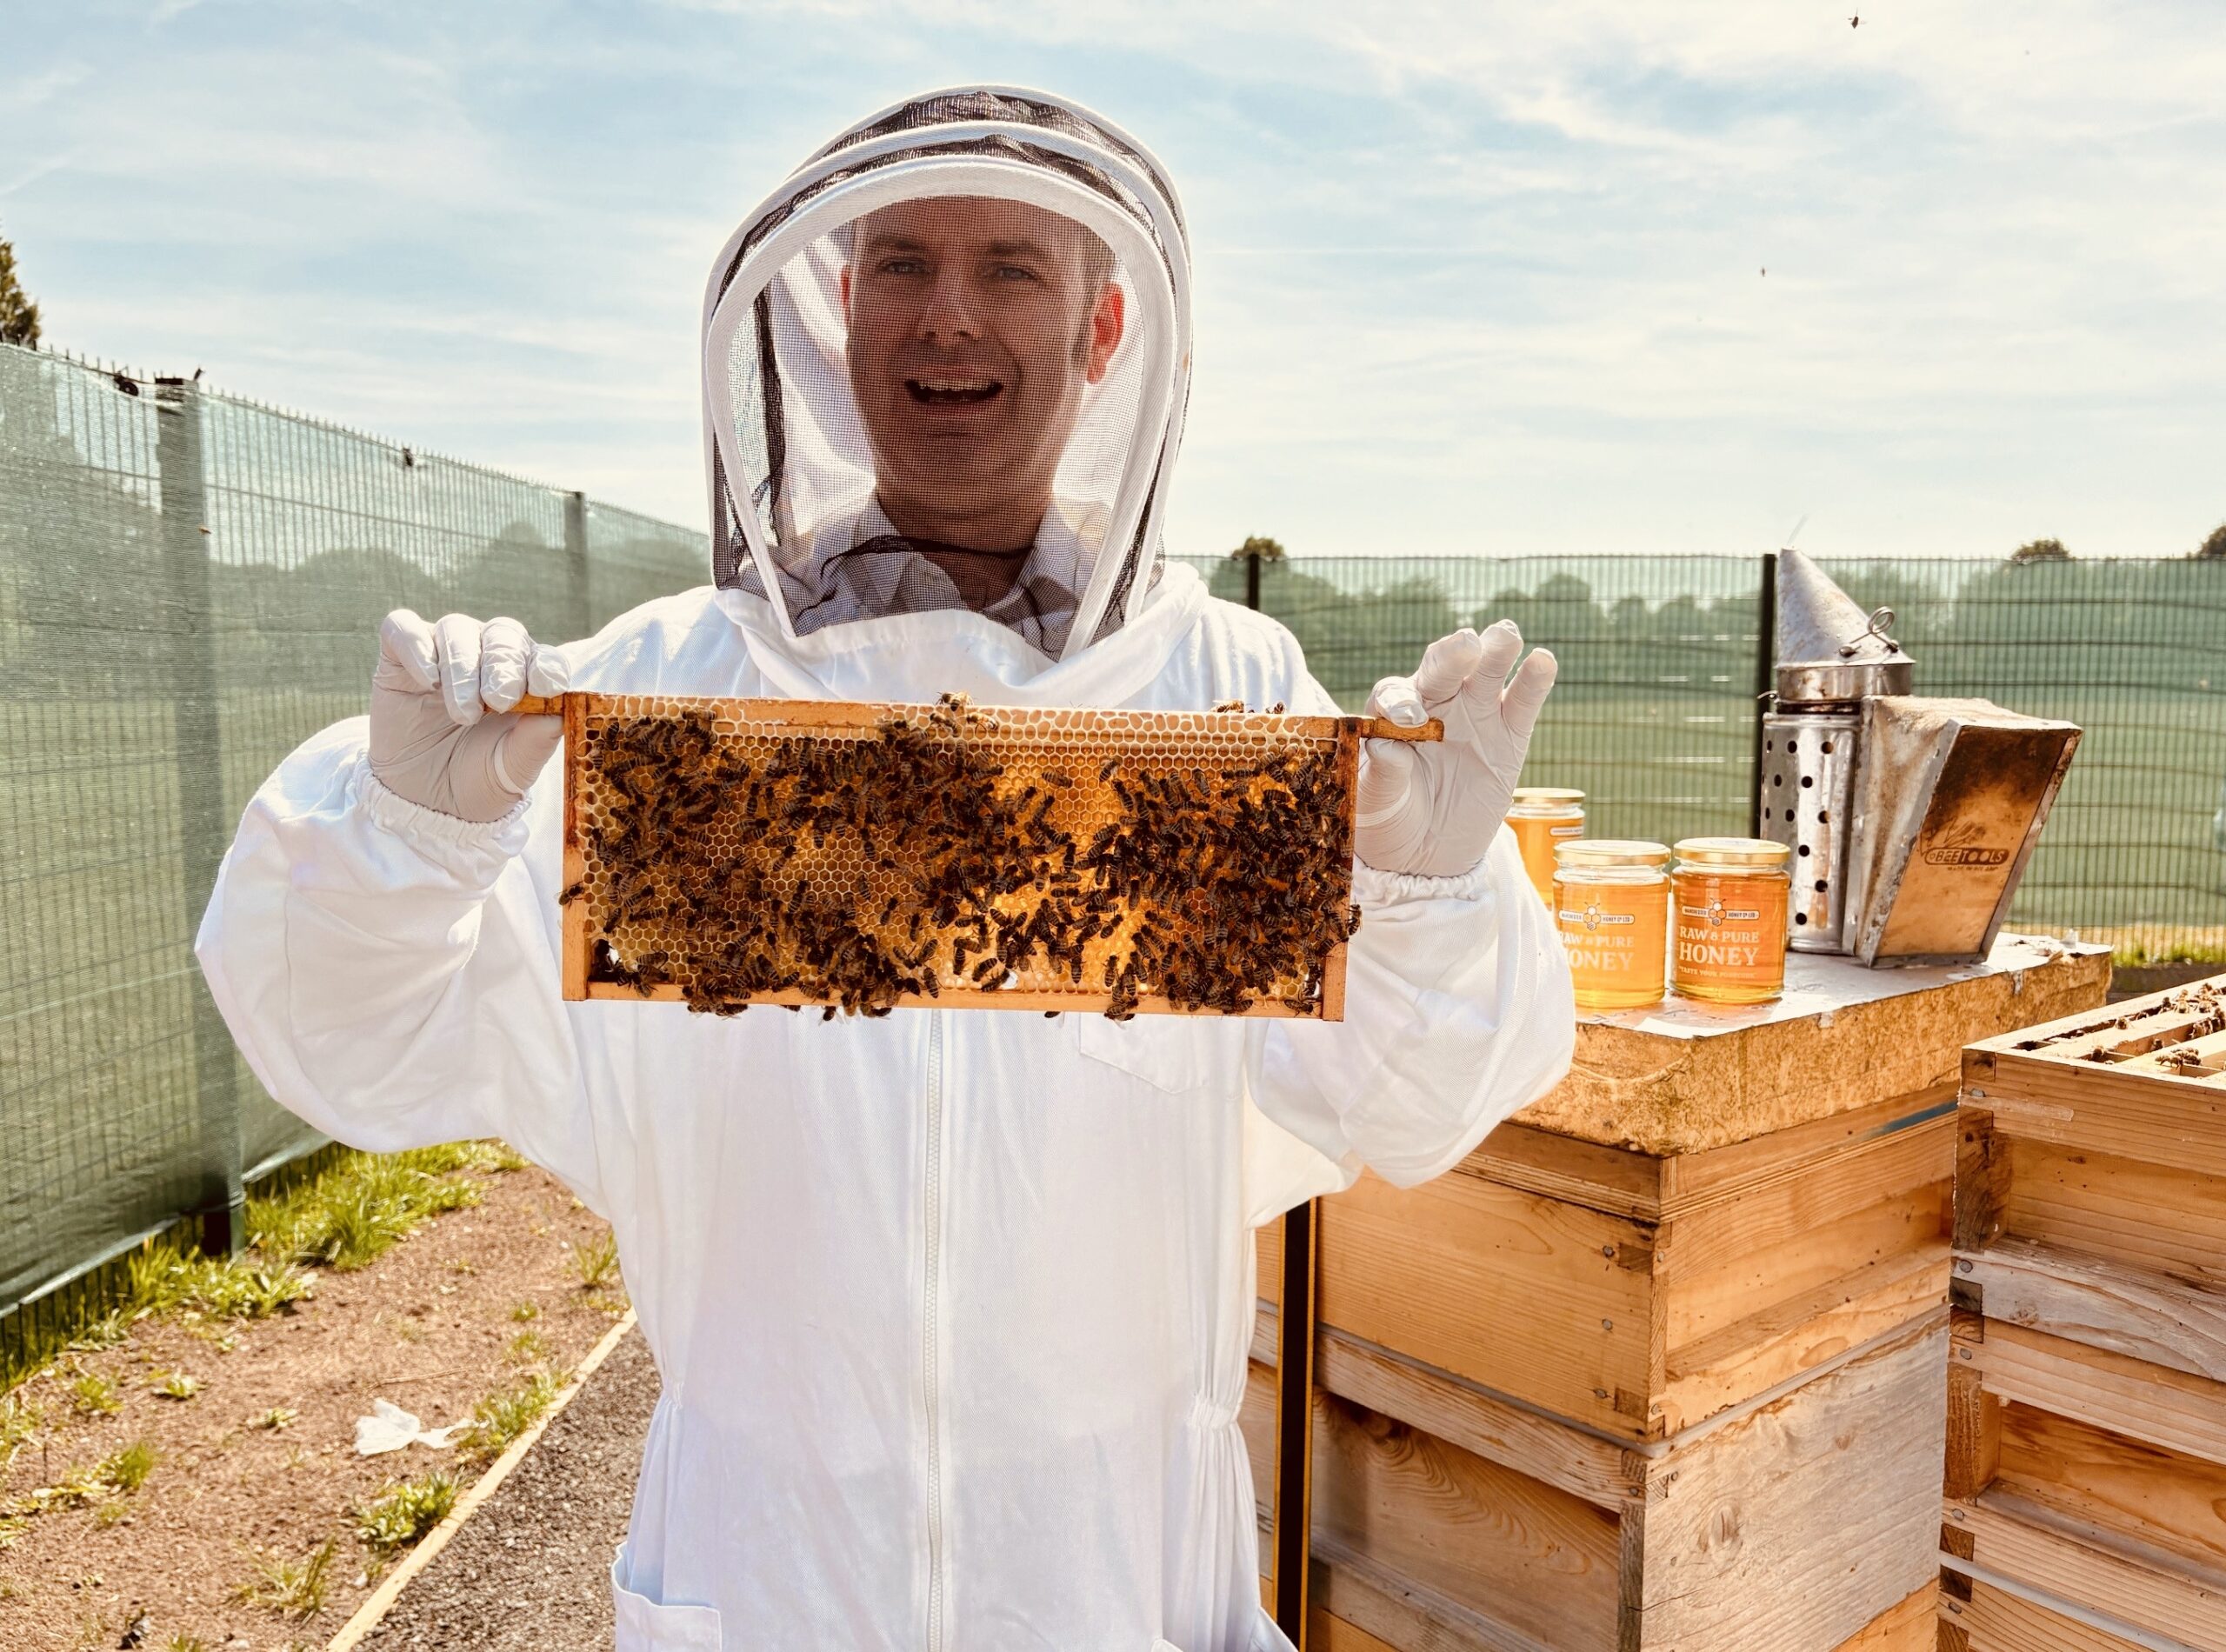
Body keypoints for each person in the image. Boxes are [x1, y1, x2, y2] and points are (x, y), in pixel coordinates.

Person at [197, 88, 1574, 1652]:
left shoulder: (1221, 697)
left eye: (1013, 268)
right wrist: (404, 837)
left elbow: (1406, 1103)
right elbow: (361, 1047)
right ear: (832, 312)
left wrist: (1431, 898)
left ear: (1109, 327)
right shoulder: (673, 696)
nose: (949, 315)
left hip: (1109, 1569)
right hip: (769, 1568)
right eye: (900, 263)